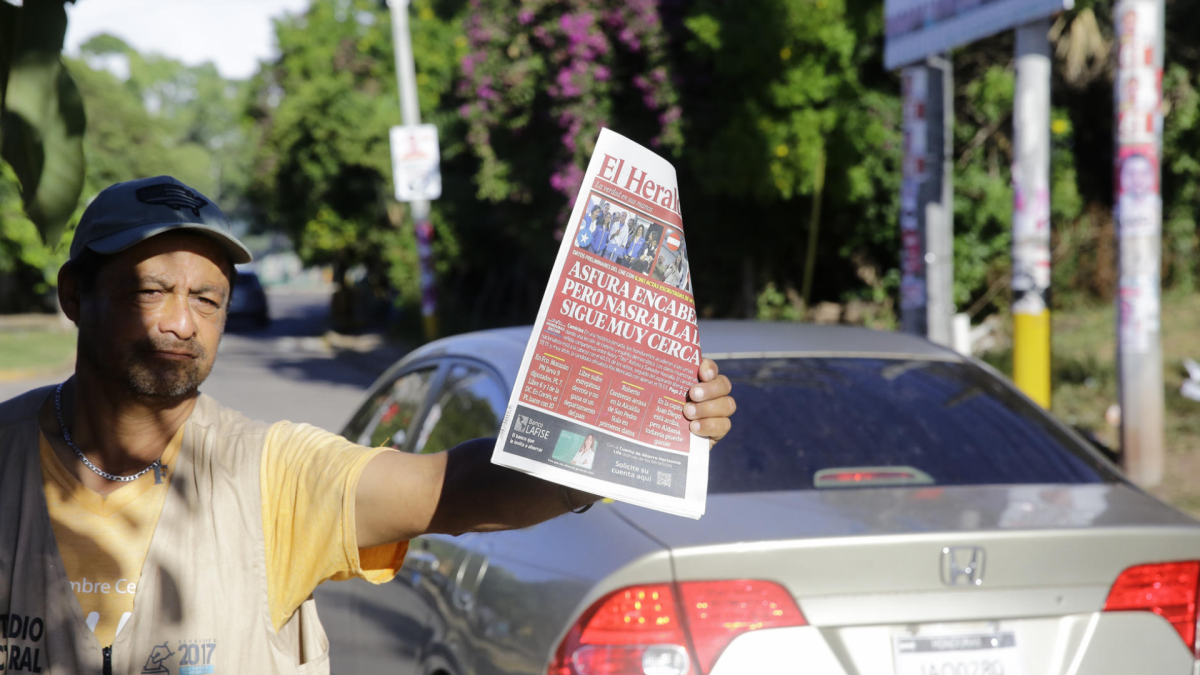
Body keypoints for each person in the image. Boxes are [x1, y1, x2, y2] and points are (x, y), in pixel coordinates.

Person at [0, 176, 737, 673]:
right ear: (75, 296)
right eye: (151, 290)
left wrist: (627, 433)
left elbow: (458, 489)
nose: (181, 323)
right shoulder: (5, 458)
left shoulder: (272, 472)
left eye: (208, 300)